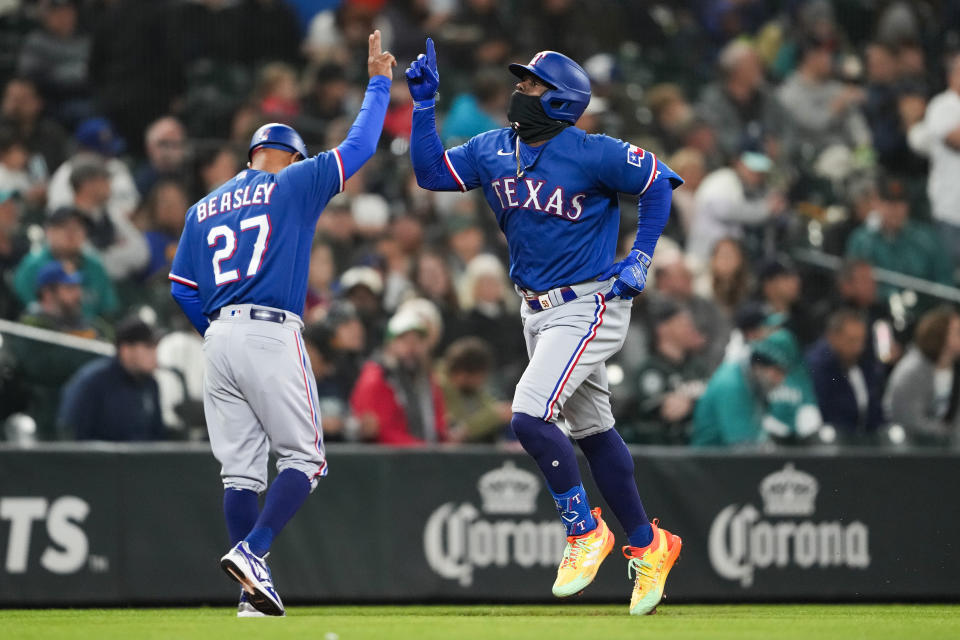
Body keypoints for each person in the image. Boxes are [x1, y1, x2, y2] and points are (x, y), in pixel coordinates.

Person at [406, 41, 683, 615]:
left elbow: (659, 181)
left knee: (529, 415)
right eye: (522, 83)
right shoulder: (495, 148)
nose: (520, 91)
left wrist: (643, 255)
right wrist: (423, 105)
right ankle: (648, 543)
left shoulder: (593, 151)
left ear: (561, 102)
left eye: (532, 85)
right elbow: (431, 173)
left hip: (589, 302)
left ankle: (586, 532)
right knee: (594, 431)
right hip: (536, 309)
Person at [167, 31, 394, 618]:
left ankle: (248, 597)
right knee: (306, 459)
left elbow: (181, 286)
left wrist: (217, 332)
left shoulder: (202, 207)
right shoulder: (294, 182)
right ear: (291, 157)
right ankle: (255, 552)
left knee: (241, 471)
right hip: (270, 329)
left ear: (249, 156)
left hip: (217, 337)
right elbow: (362, 143)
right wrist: (378, 83)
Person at [349, 308, 447, 445]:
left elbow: (438, 422)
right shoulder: (376, 376)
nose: (412, 348)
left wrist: (445, 441)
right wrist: (423, 449)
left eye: (417, 341)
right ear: (390, 344)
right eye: (405, 341)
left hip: (426, 456)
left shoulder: (426, 377)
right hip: (390, 461)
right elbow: (380, 431)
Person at [57, 317, 165, 441]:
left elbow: (157, 436)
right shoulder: (93, 381)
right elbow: (74, 434)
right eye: (149, 347)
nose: (155, 354)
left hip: (142, 459)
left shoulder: (151, 384)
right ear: (126, 350)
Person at [623, 300, 708, 445]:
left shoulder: (698, 366)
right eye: (683, 324)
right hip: (660, 453)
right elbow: (666, 411)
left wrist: (691, 403)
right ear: (663, 329)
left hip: (697, 447)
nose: (690, 330)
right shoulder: (650, 370)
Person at [692, 329, 795, 447]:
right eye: (777, 372)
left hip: (732, 456)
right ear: (760, 367)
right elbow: (742, 445)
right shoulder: (731, 384)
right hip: (711, 459)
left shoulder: (751, 380)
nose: (780, 380)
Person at [884, 306, 960, 446]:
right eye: (957, 332)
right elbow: (910, 422)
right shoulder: (911, 371)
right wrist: (950, 432)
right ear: (940, 335)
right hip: (912, 449)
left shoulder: (955, 368)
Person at [805, 309, 884, 440]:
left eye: (861, 341)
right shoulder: (816, 368)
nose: (858, 347)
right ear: (832, 337)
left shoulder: (863, 364)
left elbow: (874, 411)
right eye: (851, 340)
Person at [19, 260, 107, 339]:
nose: (78, 294)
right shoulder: (31, 327)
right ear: (47, 293)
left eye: (78, 287)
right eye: (70, 288)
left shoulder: (90, 327)